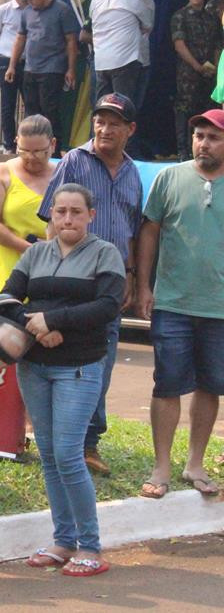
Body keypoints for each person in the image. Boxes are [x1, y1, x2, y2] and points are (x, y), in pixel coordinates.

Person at [3, 183, 124, 577]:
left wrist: (54, 322)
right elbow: (5, 301)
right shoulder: (35, 253)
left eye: (76, 211)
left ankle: (90, 546)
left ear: (91, 215)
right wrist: (37, 328)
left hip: (79, 366)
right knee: (51, 456)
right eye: (60, 212)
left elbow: (107, 306)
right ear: (50, 215)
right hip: (33, 366)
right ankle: (63, 540)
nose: (68, 219)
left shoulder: (105, 254)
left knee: (70, 454)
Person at [38, 93, 143, 477]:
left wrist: (131, 276)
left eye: (114, 122)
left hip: (112, 283)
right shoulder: (74, 162)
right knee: (68, 360)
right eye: (100, 120)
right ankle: (60, 441)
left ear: (130, 130)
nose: (104, 128)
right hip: (72, 280)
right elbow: (52, 222)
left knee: (103, 360)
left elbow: (129, 229)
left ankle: (88, 443)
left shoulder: (132, 171)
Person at [136, 109, 224, 499]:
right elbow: (150, 231)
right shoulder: (169, 177)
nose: (203, 143)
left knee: (211, 385)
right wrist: (143, 286)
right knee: (167, 383)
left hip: (219, 308)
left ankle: (195, 463)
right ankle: (161, 467)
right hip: (172, 301)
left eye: (213, 137)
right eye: (199, 136)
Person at [0, 115, 56, 298]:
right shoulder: (2, 172)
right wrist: (30, 249)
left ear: (53, 145)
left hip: (44, 275)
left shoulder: (62, 176)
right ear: (16, 142)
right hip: (3, 274)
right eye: (24, 151)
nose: (30, 158)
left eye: (38, 152)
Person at [6, 0, 80, 151]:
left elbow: (71, 41)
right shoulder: (27, 12)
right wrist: (12, 65)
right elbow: (20, 38)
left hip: (53, 68)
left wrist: (71, 69)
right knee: (31, 111)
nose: (29, 2)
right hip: (30, 68)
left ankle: (55, 148)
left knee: (50, 110)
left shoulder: (62, 10)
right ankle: (31, 147)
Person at [171, 0, 223, 159]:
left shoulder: (212, 18)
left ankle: (206, 150)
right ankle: (183, 151)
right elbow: (179, 45)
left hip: (209, 72)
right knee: (184, 110)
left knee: (207, 111)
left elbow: (218, 44)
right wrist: (197, 67)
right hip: (188, 72)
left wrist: (216, 68)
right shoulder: (180, 15)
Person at [89, 0, 153, 101]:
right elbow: (148, 25)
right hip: (125, 59)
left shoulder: (95, 1)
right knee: (123, 105)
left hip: (101, 60)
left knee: (101, 104)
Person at [0, 0, 30, 154]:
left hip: (30, 63)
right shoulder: (2, 11)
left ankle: (28, 143)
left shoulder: (34, 11)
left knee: (31, 105)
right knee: (8, 105)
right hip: (6, 61)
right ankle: (9, 145)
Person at [127, 0, 156, 112]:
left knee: (136, 104)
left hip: (143, 58)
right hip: (124, 60)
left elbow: (148, 27)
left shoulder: (149, 2)